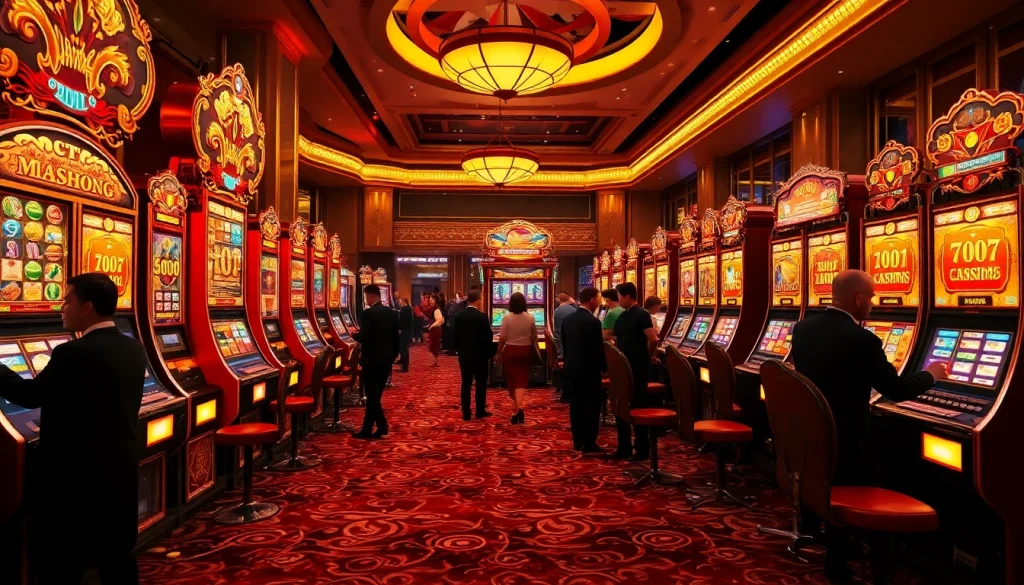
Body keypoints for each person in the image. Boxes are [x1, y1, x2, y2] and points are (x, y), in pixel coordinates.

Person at [791, 270, 946, 584]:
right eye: (872, 297)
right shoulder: (863, 339)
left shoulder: (802, 329)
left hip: (814, 440)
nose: (873, 303)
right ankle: (881, 559)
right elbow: (897, 390)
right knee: (889, 467)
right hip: (850, 447)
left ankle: (838, 546)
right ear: (858, 298)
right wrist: (932, 374)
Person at [0, 273, 147, 584]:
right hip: (119, 471)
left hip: (74, 482)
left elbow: (29, 396)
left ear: (87, 307)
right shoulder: (133, 347)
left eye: (67, 300)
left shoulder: (72, 352)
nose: (61, 308)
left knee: (63, 565)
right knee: (117, 559)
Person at [612, 282, 658, 461]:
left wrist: (648, 355)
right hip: (623, 367)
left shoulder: (642, 314)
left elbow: (653, 339)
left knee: (639, 406)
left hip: (637, 367)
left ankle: (642, 448)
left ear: (628, 296)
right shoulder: (624, 315)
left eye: (620, 296)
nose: (618, 300)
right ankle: (624, 447)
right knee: (621, 406)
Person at [561, 287, 606, 453]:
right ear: (592, 300)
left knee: (576, 405)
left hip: (572, 368)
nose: (600, 302)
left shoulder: (568, 319)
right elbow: (597, 349)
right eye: (599, 298)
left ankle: (577, 441)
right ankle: (589, 443)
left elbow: (565, 345)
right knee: (591, 406)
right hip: (589, 369)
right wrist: (604, 368)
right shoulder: (593, 322)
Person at [352, 284, 399, 439]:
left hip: (371, 360)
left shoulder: (368, 313)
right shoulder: (391, 313)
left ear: (371, 296)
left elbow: (364, 336)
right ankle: (374, 428)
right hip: (386, 360)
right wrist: (393, 356)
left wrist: (352, 335)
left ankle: (380, 426)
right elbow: (395, 337)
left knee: (372, 396)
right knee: (375, 396)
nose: (366, 299)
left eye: (366, 296)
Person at [497, 291, 540, 425]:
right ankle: (518, 409)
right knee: (521, 380)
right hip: (525, 350)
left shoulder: (506, 317)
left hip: (510, 350)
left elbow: (502, 337)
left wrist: (499, 352)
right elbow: (534, 336)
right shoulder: (530, 317)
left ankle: (516, 409)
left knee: (511, 381)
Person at [453, 289, 494, 420]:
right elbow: (488, 337)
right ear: (477, 300)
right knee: (481, 384)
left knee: (466, 384)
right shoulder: (482, 317)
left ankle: (466, 412)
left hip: (464, 355)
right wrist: (490, 354)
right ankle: (480, 410)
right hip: (480, 356)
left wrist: (459, 351)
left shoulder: (459, 316)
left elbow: (455, 337)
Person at [552, 292, 577, 403]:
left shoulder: (557, 311)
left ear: (558, 300)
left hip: (560, 344)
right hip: (570, 344)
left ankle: (562, 386)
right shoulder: (574, 310)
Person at [427, 293, 445, 367]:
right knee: (434, 345)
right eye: (430, 300)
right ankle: (435, 361)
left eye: (432, 300)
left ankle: (435, 361)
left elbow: (440, 320)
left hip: (435, 329)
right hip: (435, 329)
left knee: (433, 346)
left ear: (436, 301)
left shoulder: (436, 309)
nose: (431, 301)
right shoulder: (435, 309)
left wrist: (431, 327)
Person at [397, 297, 413, 372]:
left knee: (404, 348)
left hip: (404, 331)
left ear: (404, 301)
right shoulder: (408, 308)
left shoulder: (405, 309)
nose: (399, 302)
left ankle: (405, 366)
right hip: (407, 330)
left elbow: (403, 321)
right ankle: (403, 362)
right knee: (404, 348)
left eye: (400, 301)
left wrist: (400, 329)